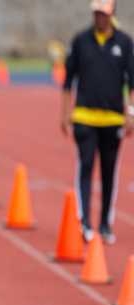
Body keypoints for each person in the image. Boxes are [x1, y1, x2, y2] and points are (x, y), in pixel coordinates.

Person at [61, 0, 134, 244]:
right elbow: (67, 81)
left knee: (109, 172)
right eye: (96, 14)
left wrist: (131, 114)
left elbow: (132, 85)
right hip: (84, 117)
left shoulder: (124, 43)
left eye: (103, 14)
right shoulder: (81, 41)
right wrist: (65, 114)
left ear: (112, 15)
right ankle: (84, 222)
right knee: (86, 165)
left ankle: (104, 223)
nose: (99, 18)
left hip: (113, 119)